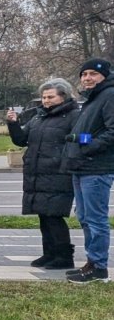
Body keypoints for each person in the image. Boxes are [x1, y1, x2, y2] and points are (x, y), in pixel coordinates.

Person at [6, 77, 79, 271]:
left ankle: (64, 256)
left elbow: (79, 142)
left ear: (63, 96)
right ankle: (49, 253)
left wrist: (63, 160)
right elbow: (22, 140)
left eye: (50, 97)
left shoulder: (74, 116)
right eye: (44, 97)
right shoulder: (38, 117)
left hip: (58, 174)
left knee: (54, 216)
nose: (46, 100)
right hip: (37, 173)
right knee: (43, 216)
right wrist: (13, 124)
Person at [64, 58, 114, 283]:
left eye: (93, 74)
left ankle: (99, 267)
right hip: (82, 166)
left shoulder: (109, 95)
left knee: (95, 219)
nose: (87, 78)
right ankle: (91, 263)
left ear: (104, 75)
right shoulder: (92, 99)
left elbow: (111, 132)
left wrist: (89, 146)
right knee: (84, 217)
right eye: (84, 74)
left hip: (97, 166)